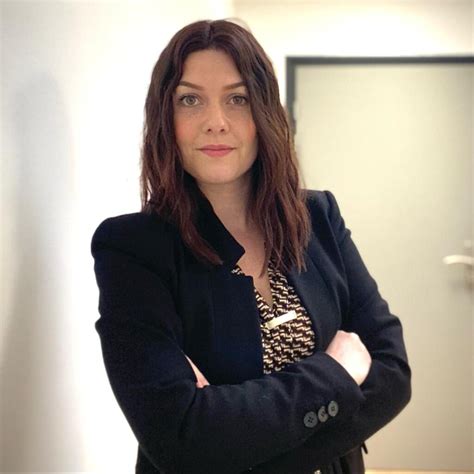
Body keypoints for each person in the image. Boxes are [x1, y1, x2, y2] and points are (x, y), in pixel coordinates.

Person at [91, 19, 411, 474]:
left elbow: (393, 375)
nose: (215, 122)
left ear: (264, 113)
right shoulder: (133, 250)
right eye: (190, 100)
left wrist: (234, 440)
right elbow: (181, 441)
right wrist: (336, 373)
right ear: (165, 117)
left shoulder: (317, 218)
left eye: (237, 99)